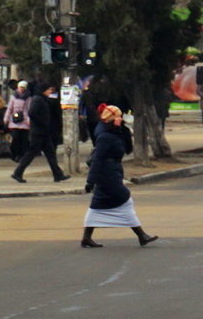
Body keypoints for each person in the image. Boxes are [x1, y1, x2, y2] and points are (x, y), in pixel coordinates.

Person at [81, 104, 157, 247]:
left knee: (97, 204)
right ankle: (142, 235)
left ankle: (86, 238)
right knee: (125, 199)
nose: (120, 119)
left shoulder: (115, 132)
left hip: (113, 171)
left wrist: (124, 130)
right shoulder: (104, 137)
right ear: (110, 119)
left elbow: (127, 150)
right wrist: (90, 181)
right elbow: (98, 159)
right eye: (118, 117)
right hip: (107, 174)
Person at [12, 81, 69, 183]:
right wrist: (42, 123)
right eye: (49, 90)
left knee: (51, 153)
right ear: (44, 90)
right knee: (31, 153)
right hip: (38, 132)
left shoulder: (43, 99)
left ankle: (58, 175)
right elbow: (32, 113)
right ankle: (18, 172)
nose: (50, 92)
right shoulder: (38, 99)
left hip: (44, 132)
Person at [3, 80, 31, 161]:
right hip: (14, 120)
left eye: (23, 88)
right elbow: (9, 108)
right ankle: (15, 154)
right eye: (20, 87)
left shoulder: (28, 97)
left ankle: (22, 155)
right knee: (15, 138)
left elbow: (29, 109)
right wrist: (6, 118)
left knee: (23, 140)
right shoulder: (13, 96)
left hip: (24, 120)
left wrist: (29, 119)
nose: (21, 89)